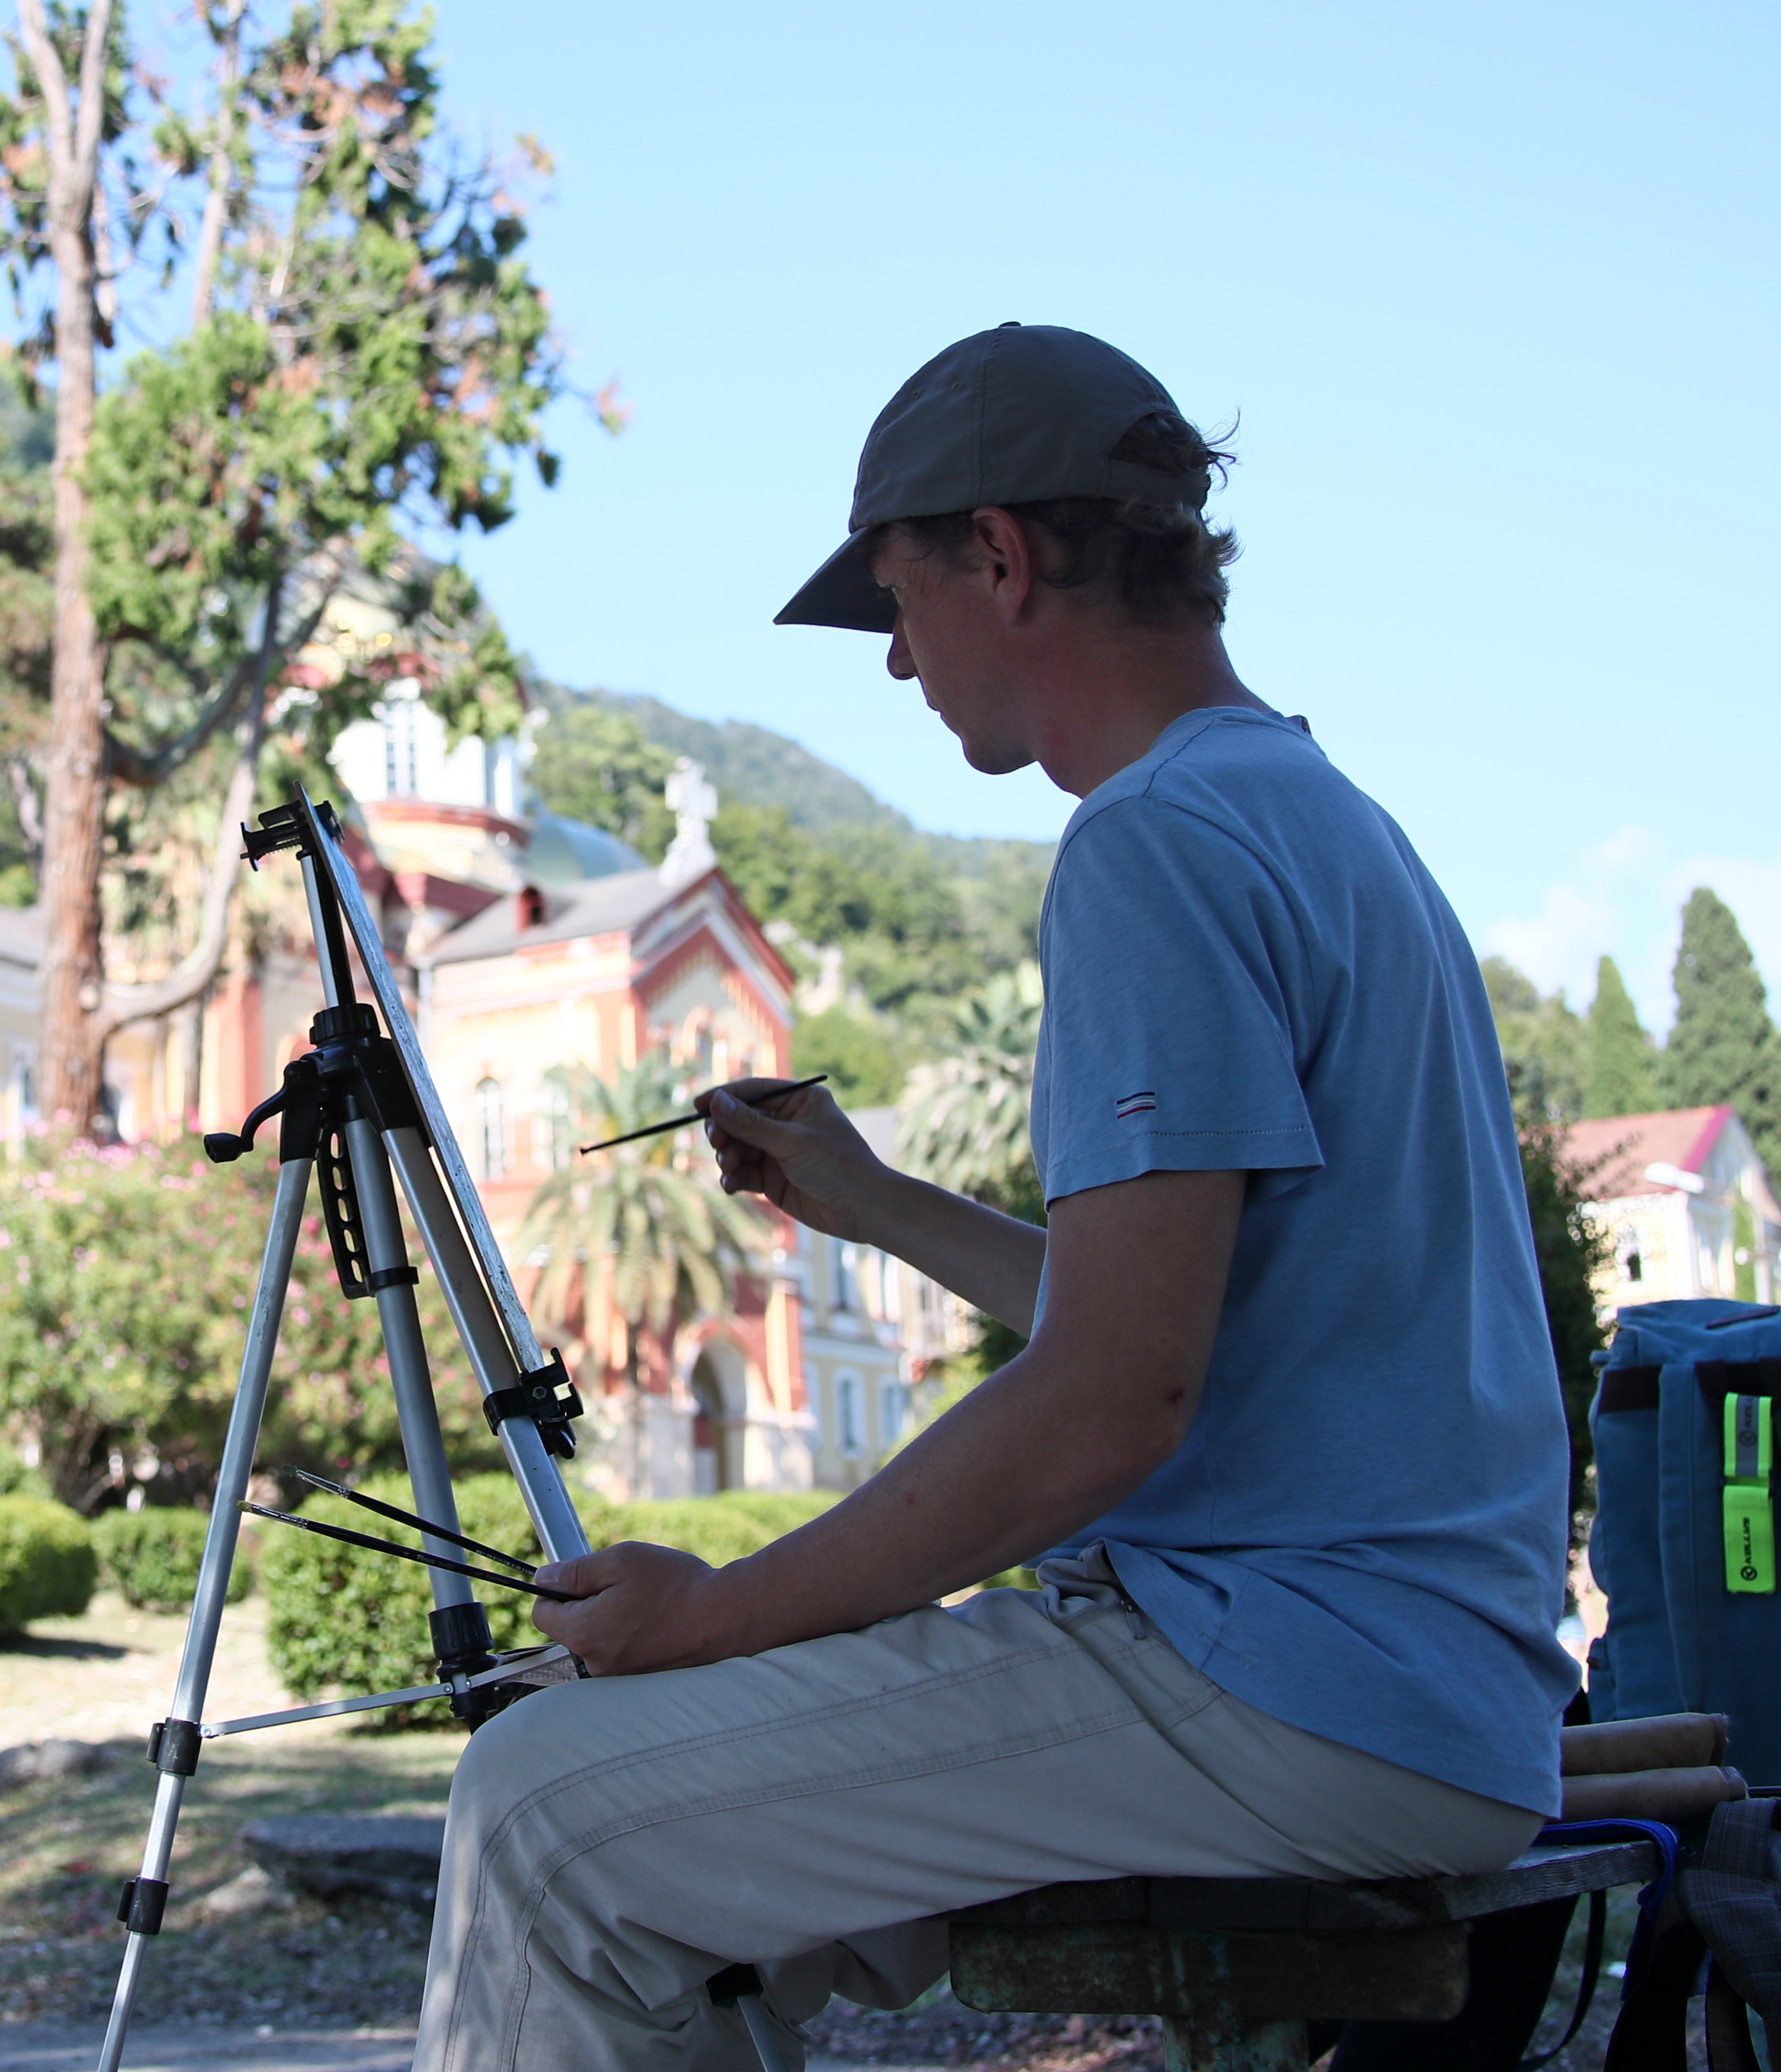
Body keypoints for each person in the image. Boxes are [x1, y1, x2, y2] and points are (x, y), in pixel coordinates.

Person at [412, 324, 1578, 2071]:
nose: (894, 662)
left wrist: (711, 1615)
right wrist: (874, 1204)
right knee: (667, 1854)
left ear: (1001, 558)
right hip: (1416, 1678)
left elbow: (1114, 1406)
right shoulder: (1319, 813)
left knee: (540, 1803)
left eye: (894, 600)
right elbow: (1218, 1331)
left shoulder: (1148, 845)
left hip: (1284, 1682)